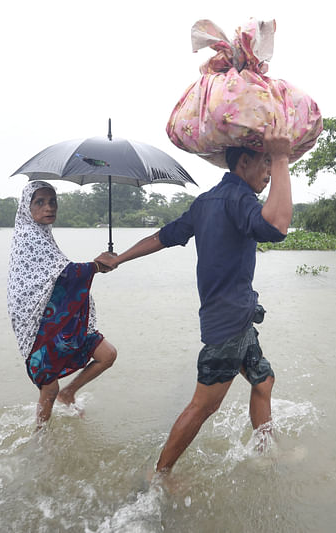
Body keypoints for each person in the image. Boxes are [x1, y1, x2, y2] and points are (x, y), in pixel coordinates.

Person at [100, 122, 293, 472]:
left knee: (263, 381)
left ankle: (265, 451)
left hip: (240, 318)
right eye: (263, 163)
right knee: (203, 406)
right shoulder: (238, 199)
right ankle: (160, 473)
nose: (267, 172)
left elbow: (164, 236)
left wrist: (120, 258)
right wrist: (281, 157)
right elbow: (277, 225)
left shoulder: (206, 202)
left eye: (270, 164)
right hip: (228, 325)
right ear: (243, 163)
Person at [7, 180, 118, 429]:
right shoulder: (28, 235)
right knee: (48, 388)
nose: (49, 207)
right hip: (39, 327)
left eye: (52, 201)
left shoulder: (42, 234)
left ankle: (68, 394)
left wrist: (96, 267)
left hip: (56, 320)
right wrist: (96, 266)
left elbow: (57, 274)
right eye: (40, 202)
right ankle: (40, 441)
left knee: (107, 355)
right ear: (27, 207)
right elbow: (64, 274)